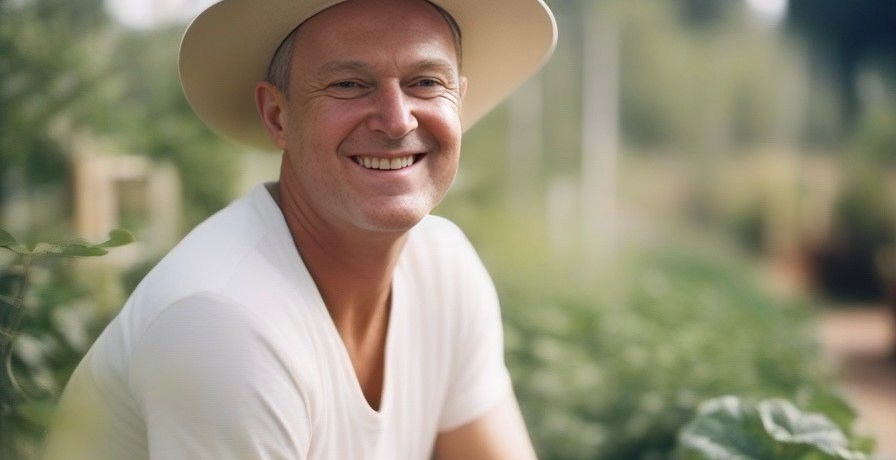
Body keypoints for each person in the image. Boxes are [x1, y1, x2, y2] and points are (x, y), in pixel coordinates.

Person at [43, 0, 556, 458]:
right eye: (348, 84)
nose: (397, 120)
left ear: (458, 100)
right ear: (277, 115)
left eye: (425, 82)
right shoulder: (225, 320)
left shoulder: (444, 267)